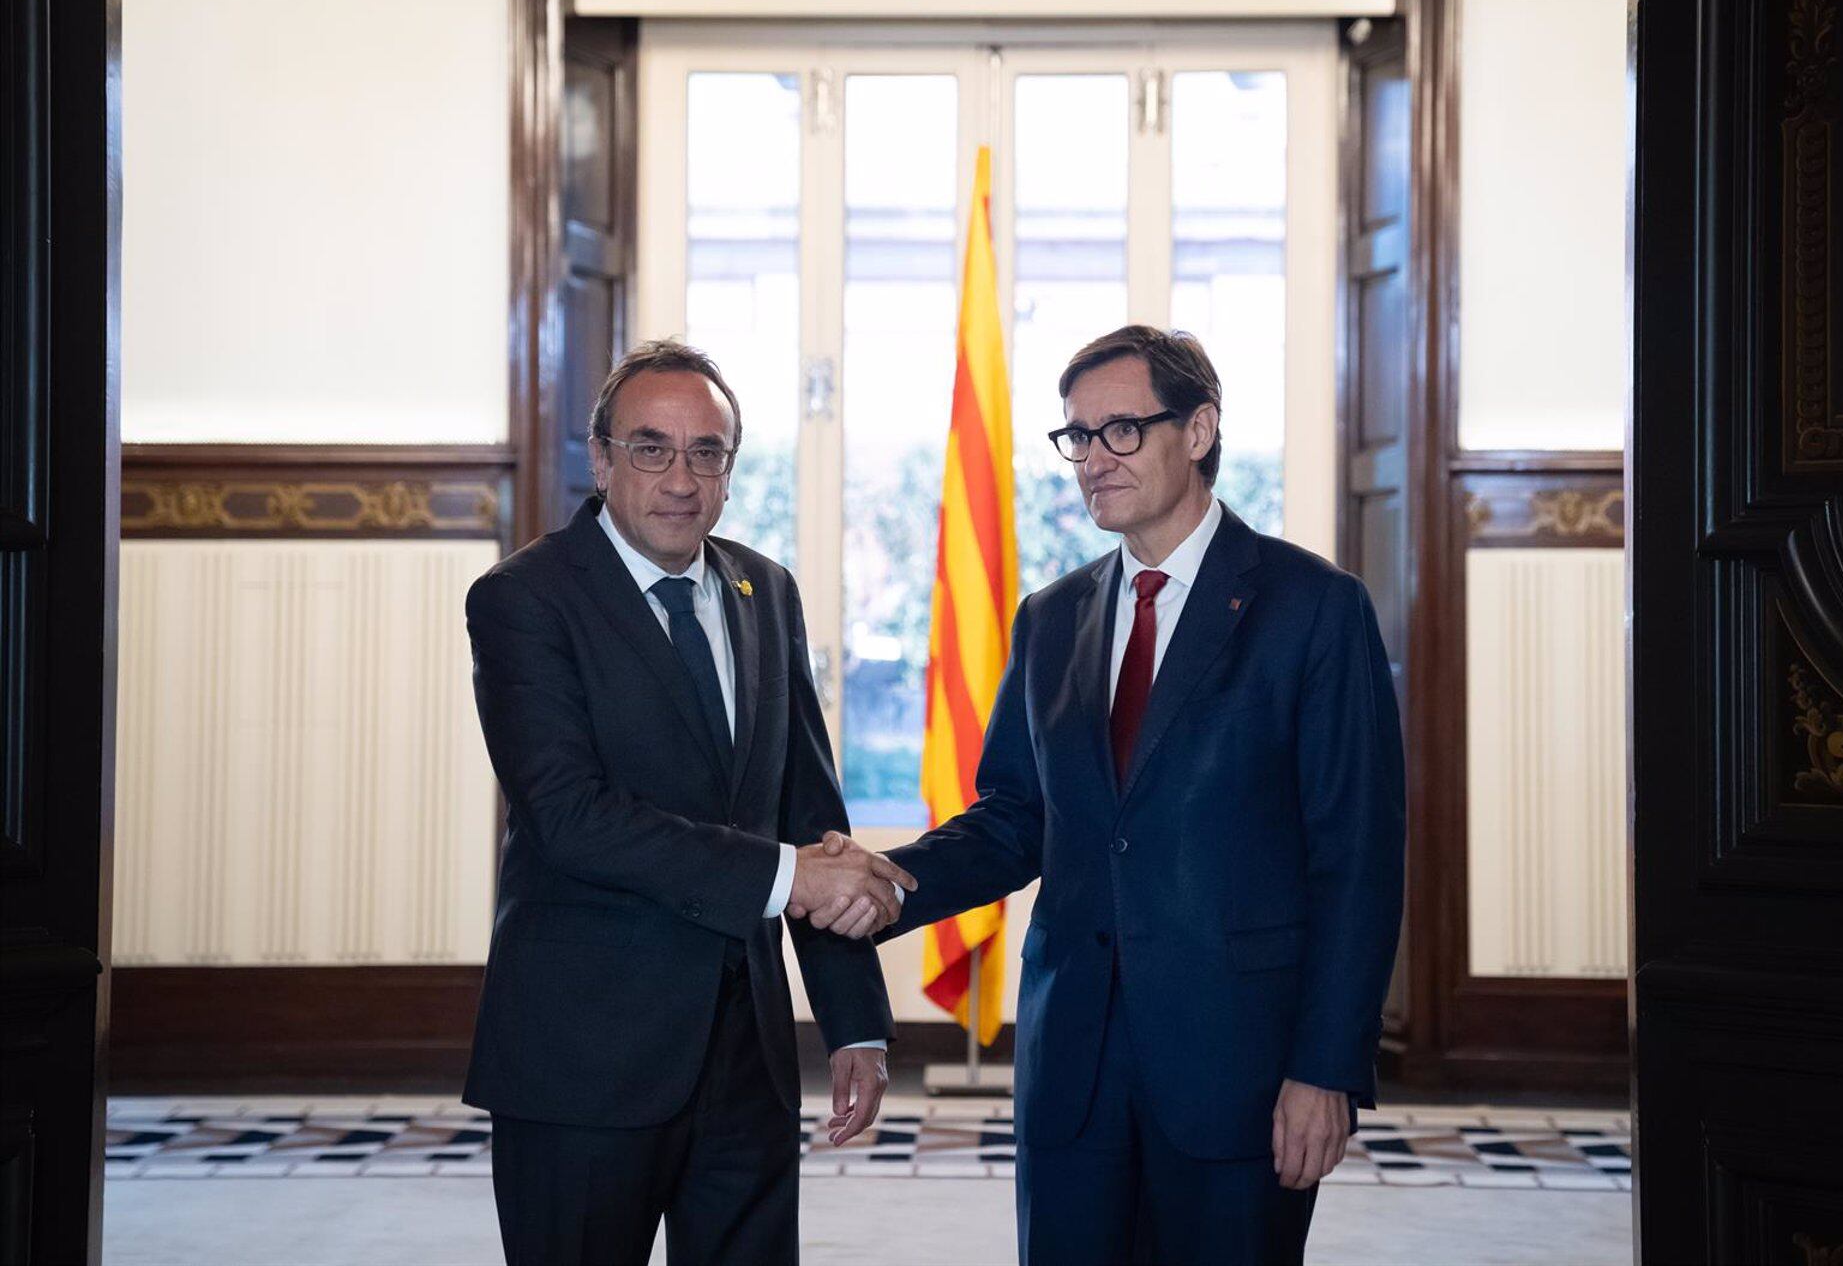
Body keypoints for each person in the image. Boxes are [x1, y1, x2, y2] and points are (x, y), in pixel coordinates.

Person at [859, 325, 1405, 1264]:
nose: (1092, 459)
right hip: (1073, 1067)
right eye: (1077, 435)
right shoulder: (1050, 618)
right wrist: (887, 881)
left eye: (1121, 430)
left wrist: (1326, 1069)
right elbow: (1016, 819)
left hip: (1238, 1066)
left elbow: (1357, 858)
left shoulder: (1312, 607)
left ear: (1197, 431)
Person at [462, 338, 916, 1266]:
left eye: (707, 451)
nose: (681, 477)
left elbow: (807, 814)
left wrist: (854, 1021)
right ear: (602, 459)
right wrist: (789, 878)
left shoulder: (765, 590)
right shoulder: (524, 599)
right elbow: (569, 815)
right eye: (652, 448)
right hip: (585, 1059)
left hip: (746, 1062)